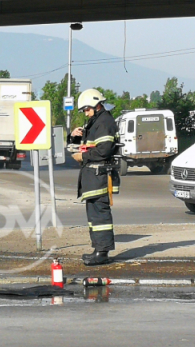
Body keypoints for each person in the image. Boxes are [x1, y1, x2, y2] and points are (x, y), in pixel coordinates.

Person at [68, 89, 120, 266]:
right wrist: (75, 137)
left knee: (100, 217)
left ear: (96, 105)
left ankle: (102, 253)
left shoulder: (104, 122)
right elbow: (88, 146)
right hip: (92, 177)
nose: (85, 113)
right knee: (94, 216)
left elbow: (104, 150)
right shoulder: (95, 122)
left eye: (86, 109)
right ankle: (98, 249)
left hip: (100, 176)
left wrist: (83, 157)